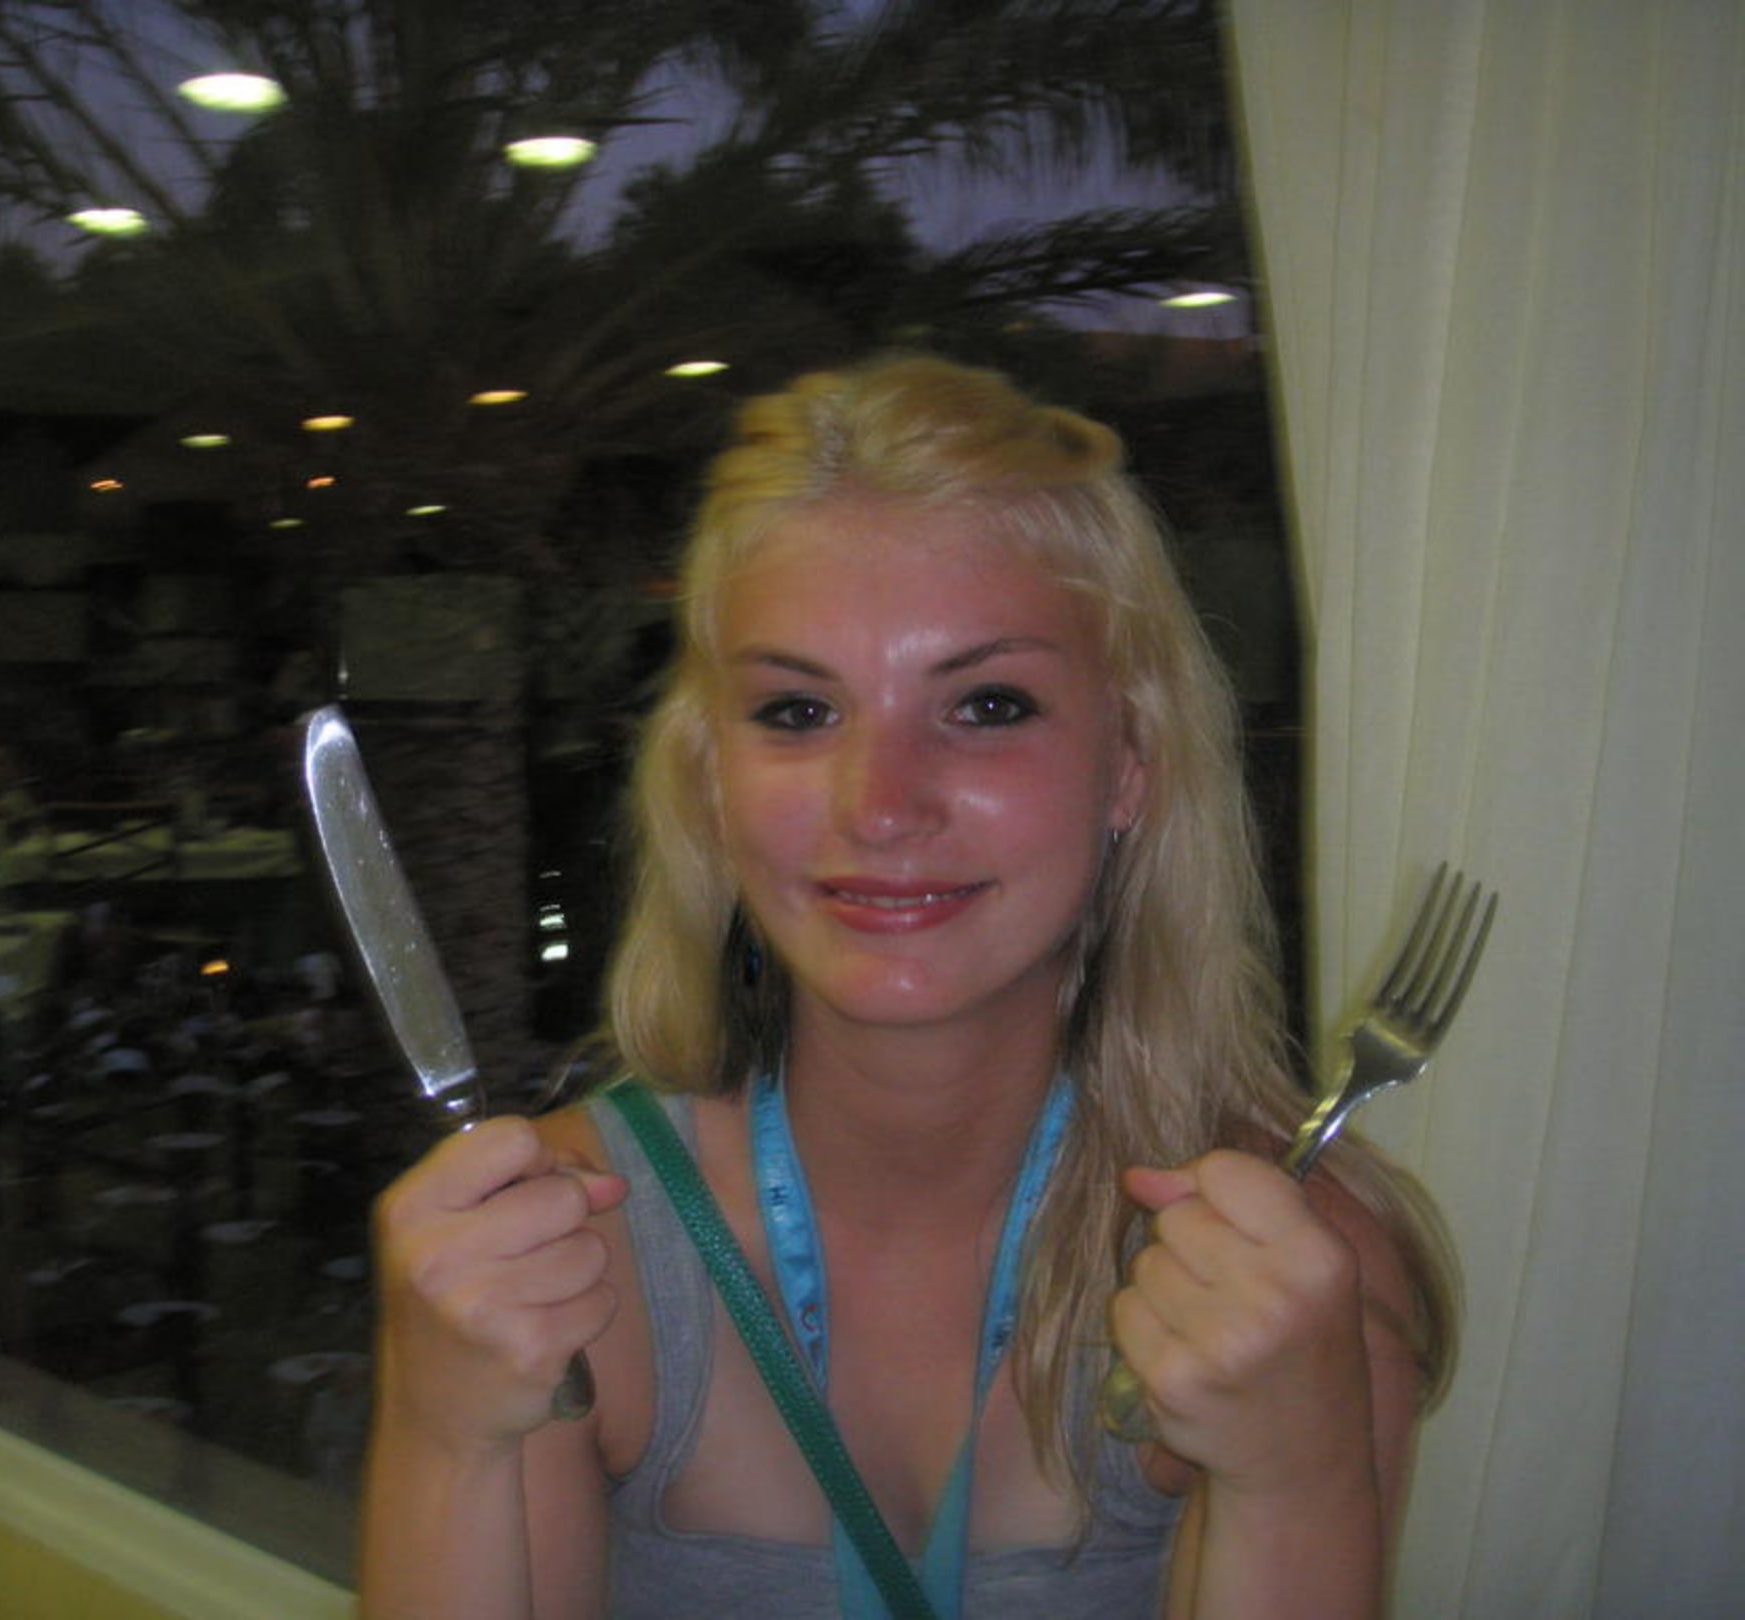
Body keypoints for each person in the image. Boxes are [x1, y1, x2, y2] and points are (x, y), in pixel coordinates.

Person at [358, 354, 1458, 1619]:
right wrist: (443, 1435)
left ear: (1129, 765)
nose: (880, 807)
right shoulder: (556, 1255)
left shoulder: (1290, 1278)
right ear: (710, 780)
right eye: (796, 711)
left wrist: (1294, 1483)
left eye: (988, 704)